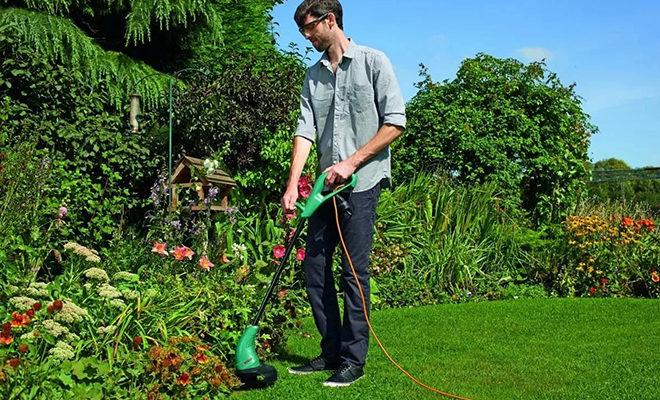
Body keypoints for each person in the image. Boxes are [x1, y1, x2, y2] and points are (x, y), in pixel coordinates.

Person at [281, 0, 406, 388]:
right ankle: (330, 351)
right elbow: (304, 131)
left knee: (353, 273)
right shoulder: (312, 75)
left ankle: (354, 360)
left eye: (308, 28)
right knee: (314, 270)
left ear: (329, 20)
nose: (305, 36)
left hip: (361, 184)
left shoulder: (373, 62)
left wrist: (351, 162)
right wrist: (292, 184)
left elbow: (395, 122)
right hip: (323, 190)